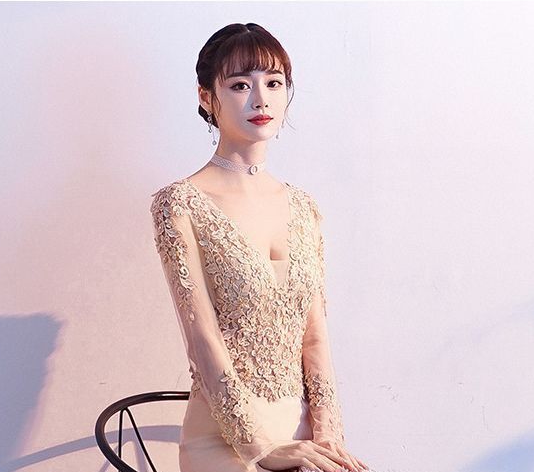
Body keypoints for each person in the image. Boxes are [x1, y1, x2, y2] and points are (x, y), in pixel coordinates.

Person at [149, 23, 372, 472]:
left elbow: (315, 335)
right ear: (206, 97)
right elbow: (201, 339)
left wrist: (328, 434)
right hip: (225, 440)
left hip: (302, 434)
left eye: (273, 83)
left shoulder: (304, 207)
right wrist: (260, 448)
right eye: (239, 85)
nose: (260, 99)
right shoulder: (180, 203)